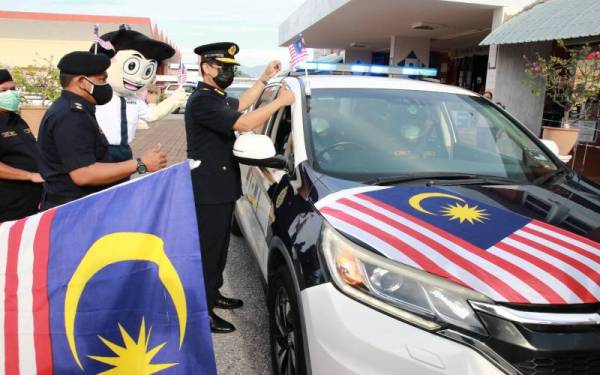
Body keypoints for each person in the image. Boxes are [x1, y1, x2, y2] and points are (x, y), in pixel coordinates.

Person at [186, 42, 295, 333]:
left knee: (220, 249)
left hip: (220, 186)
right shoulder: (202, 100)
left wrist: (263, 79)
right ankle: (201, 312)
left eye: (232, 68)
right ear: (207, 67)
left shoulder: (216, 96)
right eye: (223, 67)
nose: (228, 72)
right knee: (208, 253)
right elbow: (244, 121)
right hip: (207, 190)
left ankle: (214, 293)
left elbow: (241, 104)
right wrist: (279, 102)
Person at [37, 51, 167, 209]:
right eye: (102, 80)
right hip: (74, 209)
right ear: (81, 82)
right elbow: (83, 174)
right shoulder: (72, 115)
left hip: (78, 205)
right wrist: (141, 164)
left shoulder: (74, 109)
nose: (106, 85)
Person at [0, 69, 44, 222]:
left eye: (12, 89)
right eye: (3, 90)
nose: (11, 94)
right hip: (8, 207)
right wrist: (29, 176)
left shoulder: (17, 120)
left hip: (31, 203)